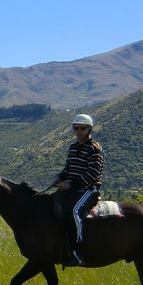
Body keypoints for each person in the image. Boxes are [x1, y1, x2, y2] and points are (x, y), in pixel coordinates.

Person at [47, 113, 103, 267]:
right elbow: (68, 169)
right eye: (76, 128)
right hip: (72, 189)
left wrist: (71, 184)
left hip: (89, 189)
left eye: (82, 128)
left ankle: (78, 251)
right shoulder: (73, 147)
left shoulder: (94, 148)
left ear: (89, 129)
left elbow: (93, 173)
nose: (79, 131)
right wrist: (59, 178)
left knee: (73, 211)